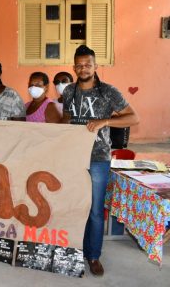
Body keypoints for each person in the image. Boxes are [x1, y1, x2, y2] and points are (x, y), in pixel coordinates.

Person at [61, 45, 139, 276]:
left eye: (88, 64)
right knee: (73, 206)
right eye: (79, 64)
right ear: (74, 67)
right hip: (72, 157)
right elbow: (66, 117)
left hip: (98, 158)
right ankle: (73, 249)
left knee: (95, 210)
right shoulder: (68, 92)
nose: (83, 68)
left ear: (95, 66)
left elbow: (134, 117)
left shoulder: (108, 91)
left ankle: (93, 256)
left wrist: (105, 121)